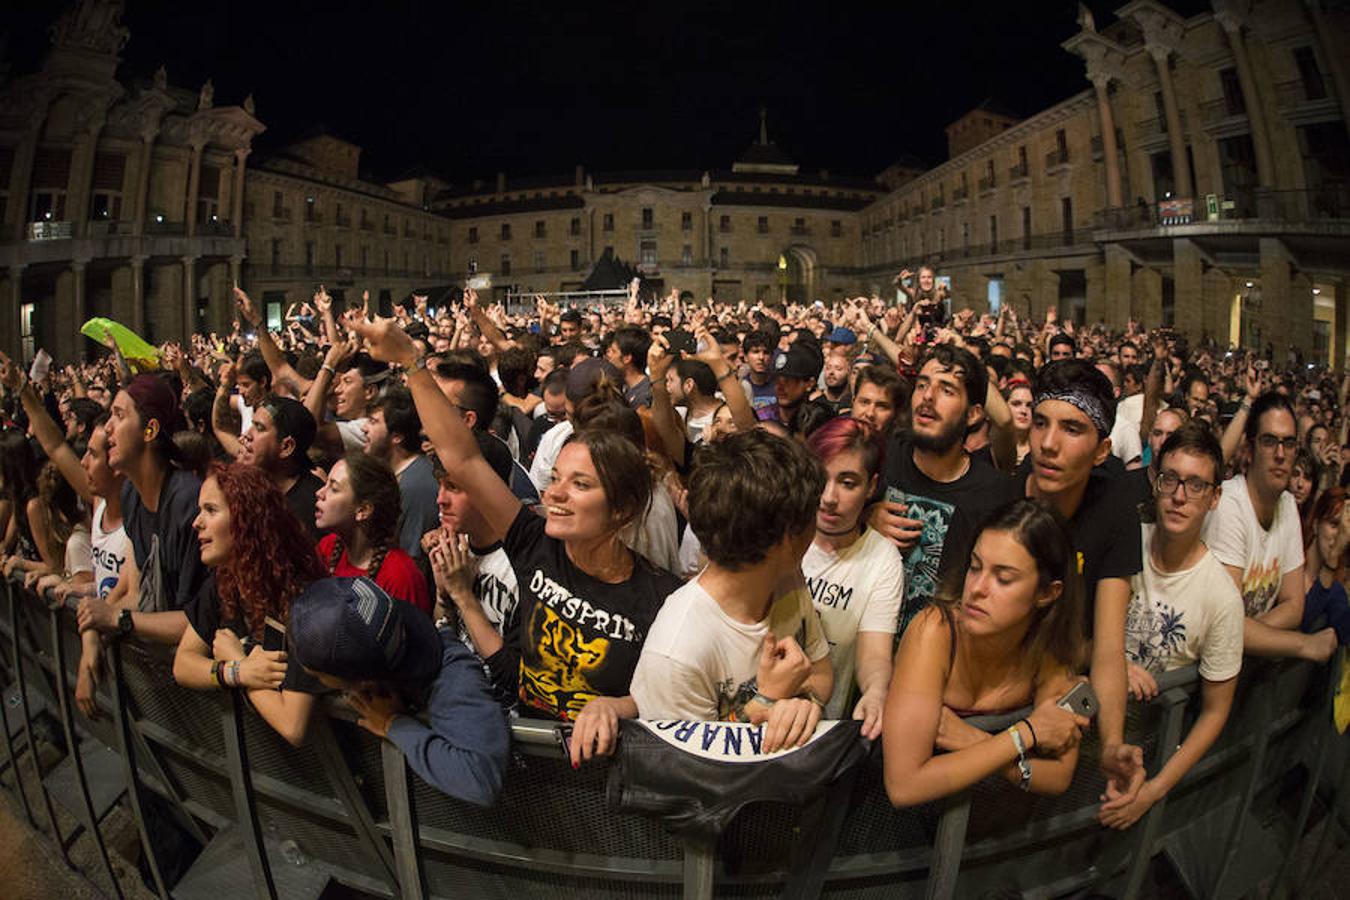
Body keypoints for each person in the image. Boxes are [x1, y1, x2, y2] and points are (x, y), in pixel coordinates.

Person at [349, 314, 682, 768]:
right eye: (557, 478)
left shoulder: (662, 597)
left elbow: (676, 702)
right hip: (526, 763)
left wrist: (617, 706)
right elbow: (462, 457)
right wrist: (411, 361)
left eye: (580, 485)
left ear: (622, 510)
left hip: (601, 781)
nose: (554, 493)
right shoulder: (535, 542)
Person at [630, 430, 833, 754]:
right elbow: (690, 778)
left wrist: (806, 705)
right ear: (787, 538)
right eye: (812, 517)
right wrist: (766, 700)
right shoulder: (676, 652)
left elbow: (821, 672)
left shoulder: (788, 578)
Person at [882, 500, 1089, 807]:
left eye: (1003, 578)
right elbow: (904, 785)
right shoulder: (934, 631)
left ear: (1047, 593)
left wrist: (971, 739)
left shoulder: (1048, 653)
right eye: (975, 567)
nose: (977, 588)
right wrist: (1026, 735)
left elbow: (1058, 777)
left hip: (990, 834)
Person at [1106, 425, 1243, 829]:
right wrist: (1114, 661)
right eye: (1171, 479)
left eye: (1197, 485)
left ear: (1215, 497)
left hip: (1141, 754)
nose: (1180, 496)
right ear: (1155, 481)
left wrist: (1154, 790)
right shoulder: (1124, 541)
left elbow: (1216, 712)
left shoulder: (1222, 597)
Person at [288, 575, 509, 806]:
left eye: (315, 674)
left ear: (361, 681)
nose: (304, 670)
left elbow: (481, 779)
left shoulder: (454, 680)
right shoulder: (374, 633)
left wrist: (395, 724)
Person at [74, 375, 207, 716]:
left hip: (202, 678)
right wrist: (93, 632)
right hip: (164, 672)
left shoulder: (188, 503)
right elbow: (135, 592)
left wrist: (115, 620)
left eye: (119, 416)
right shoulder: (132, 494)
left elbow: (200, 622)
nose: (107, 430)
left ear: (149, 431)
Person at [172, 463, 328, 746]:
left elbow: (293, 725)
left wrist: (239, 661)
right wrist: (236, 672)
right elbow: (183, 664)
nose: (196, 522)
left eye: (211, 510)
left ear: (247, 519)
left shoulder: (300, 597)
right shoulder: (226, 579)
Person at [869, 345, 1012, 629]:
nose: (927, 397)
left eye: (947, 390)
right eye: (922, 385)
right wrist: (863, 518)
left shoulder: (993, 494)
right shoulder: (882, 453)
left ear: (973, 414)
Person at [1205, 392, 1338, 661]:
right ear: (1248, 448)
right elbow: (1223, 626)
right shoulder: (1229, 505)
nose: (1280, 454)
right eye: (1269, 442)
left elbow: (1294, 605)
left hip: (1243, 664)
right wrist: (1303, 644)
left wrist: (1249, 634)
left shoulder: (1287, 504)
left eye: (1289, 443)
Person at [802, 417, 904, 736]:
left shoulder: (882, 559)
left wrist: (876, 691)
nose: (829, 496)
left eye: (847, 483)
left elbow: (874, 653)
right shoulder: (783, 530)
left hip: (822, 728)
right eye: (822, 477)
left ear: (871, 487)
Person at [315, 452, 431, 614]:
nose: (319, 493)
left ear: (363, 510)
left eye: (334, 488)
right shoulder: (328, 547)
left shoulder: (401, 577)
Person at [364, 387, 440, 559]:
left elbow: (412, 557)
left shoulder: (417, 486)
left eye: (373, 422)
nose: (364, 428)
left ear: (396, 437)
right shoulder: (395, 474)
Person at [237, 395, 323, 540]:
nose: (246, 435)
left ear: (286, 447)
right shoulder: (251, 486)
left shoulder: (313, 509)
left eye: (259, 428)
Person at [1301, 488, 1350, 646]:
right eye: (1334, 525)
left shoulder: (1335, 590)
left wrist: (1333, 557)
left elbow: (1345, 633)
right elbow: (1297, 621)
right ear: (1316, 524)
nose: (1339, 536)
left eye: (1344, 530)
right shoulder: (1289, 565)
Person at [605, 326, 654, 409]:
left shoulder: (645, 397)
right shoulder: (622, 386)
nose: (608, 355)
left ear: (626, 358)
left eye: (613, 351)